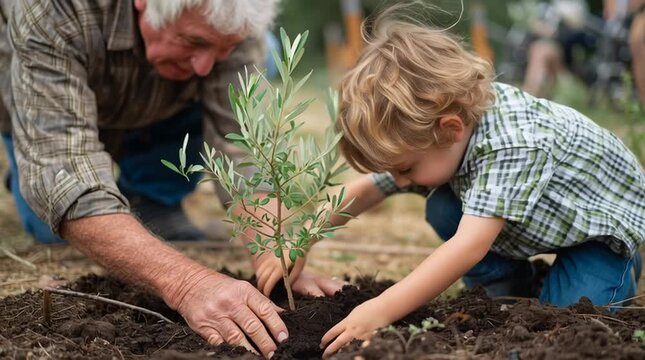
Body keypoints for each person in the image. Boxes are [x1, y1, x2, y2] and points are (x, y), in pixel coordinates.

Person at [255, 5, 644, 357]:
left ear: (451, 128)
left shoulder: (513, 143)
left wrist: (379, 309)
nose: (398, 180)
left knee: (564, 324)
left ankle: (607, 274)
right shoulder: (438, 131)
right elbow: (368, 188)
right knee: (445, 206)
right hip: (544, 218)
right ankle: (510, 291)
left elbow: (468, 247)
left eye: (404, 168)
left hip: (600, 235)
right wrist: (302, 238)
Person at [0, 0, 343, 357]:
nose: (205, 65)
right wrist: (187, 284)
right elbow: (64, 178)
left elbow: (243, 151)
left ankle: (154, 195)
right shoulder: (53, 8)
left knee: (265, 51)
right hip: (51, 107)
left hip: (159, 102)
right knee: (52, 229)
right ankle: (29, 163)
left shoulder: (233, 26)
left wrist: (275, 259)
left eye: (221, 50)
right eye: (193, 41)